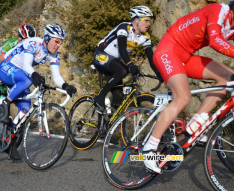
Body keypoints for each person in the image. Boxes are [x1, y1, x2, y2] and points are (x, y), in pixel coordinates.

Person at [143, 1, 234, 174]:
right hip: (168, 50)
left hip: (186, 55)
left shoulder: (230, 24)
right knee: (183, 97)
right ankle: (149, 149)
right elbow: (215, 41)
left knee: (228, 77)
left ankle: (197, 121)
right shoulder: (219, 9)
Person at [0, 24, 77, 159]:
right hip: (6, 67)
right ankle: (5, 103)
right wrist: (34, 75)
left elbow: (56, 76)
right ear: (47, 38)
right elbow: (26, 65)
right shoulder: (33, 43)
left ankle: (9, 142)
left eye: (61, 42)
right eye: (56, 41)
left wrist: (65, 86)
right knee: (28, 80)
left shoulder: (54, 55)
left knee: (25, 109)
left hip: (20, 75)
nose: (58, 45)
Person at [93, 6, 163, 112]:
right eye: (146, 20)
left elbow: (151, 58)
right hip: (101, 55)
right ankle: (100, 96)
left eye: (150, 21)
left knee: (118, 96)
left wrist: (159, 74)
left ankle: (107, 125)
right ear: (136, 19)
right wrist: (130, 64)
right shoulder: (124, 27)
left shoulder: (146, 37)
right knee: (123, 70)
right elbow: (122, 49)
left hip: (113, 61)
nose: (149, 24)